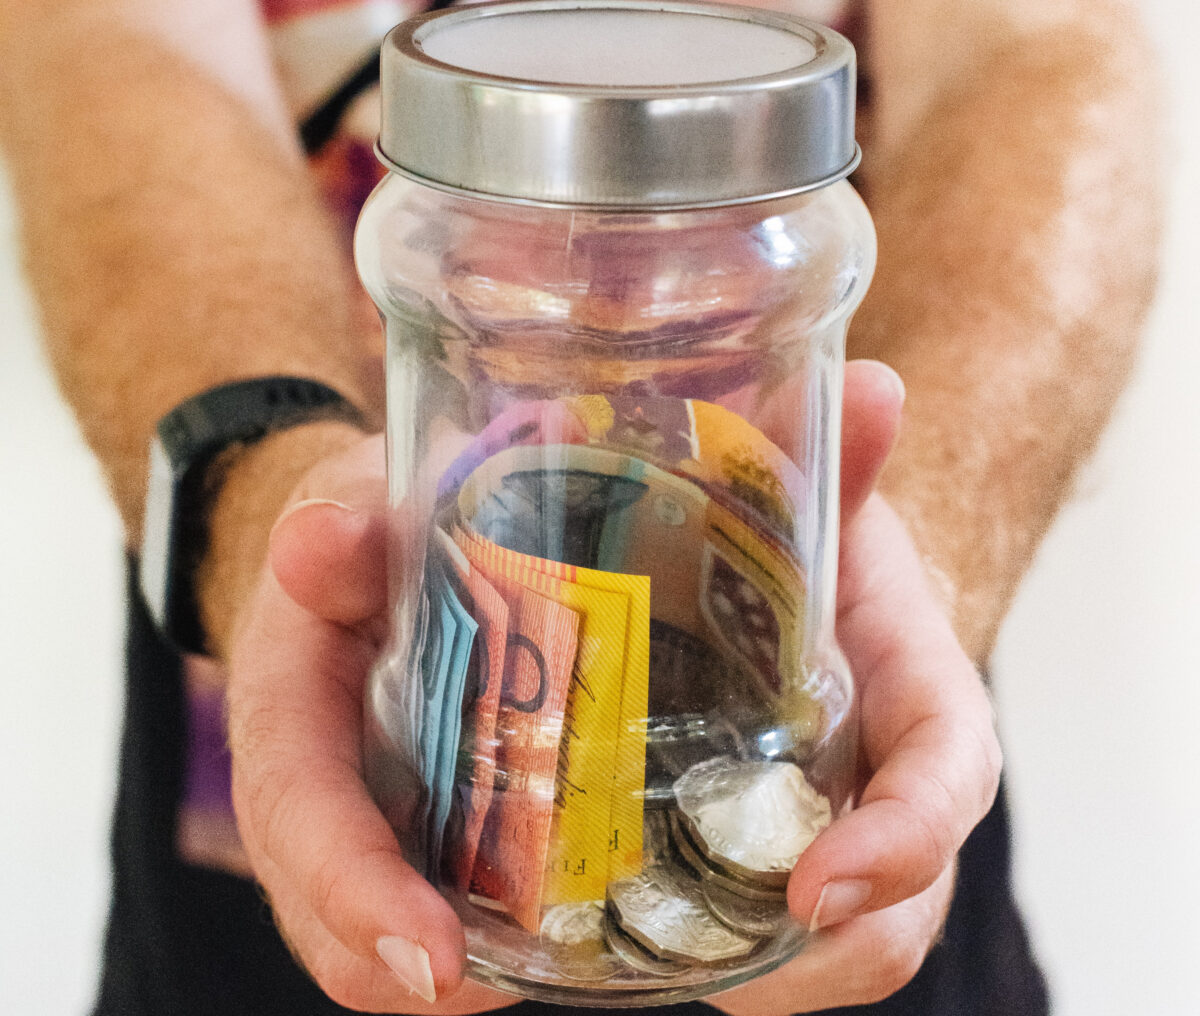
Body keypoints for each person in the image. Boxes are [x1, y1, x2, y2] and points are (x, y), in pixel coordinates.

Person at [0, 0, 1162, 1013]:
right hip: (299, 690)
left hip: (862, 644)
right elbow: (113, 30)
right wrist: (260, 509)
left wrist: (901, 552)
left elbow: (1035, 41)